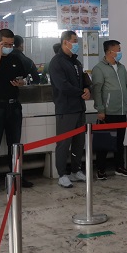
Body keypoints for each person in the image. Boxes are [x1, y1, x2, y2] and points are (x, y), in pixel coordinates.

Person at [0, 29, 31, 193]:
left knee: (15, 144)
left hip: (14, 106)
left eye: (11, 45)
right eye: (5, 44)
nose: (9, 47)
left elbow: (23, 78)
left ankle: (17, 176)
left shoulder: (16, 59)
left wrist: (21, 83)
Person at [48, 30, 91, 188]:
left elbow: (85, 80)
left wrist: (87, 89)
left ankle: (75, 170)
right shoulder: (57, 62)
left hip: (79, 108)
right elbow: (63, 86)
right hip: (66, 109)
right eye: (74, 41)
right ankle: (62, 174)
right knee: (64, 143)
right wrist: (80, 92)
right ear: (65, 42)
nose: (76, 44)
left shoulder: (76, 62)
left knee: (79, 142)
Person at [91, 40, 127, 180]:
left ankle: (119, 167)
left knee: (119, 142)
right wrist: (100, 109)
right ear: (110, 52)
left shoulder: (121, 67)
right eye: (118, 49)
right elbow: (97, 90)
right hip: (108, 112)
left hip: (122, 111)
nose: (120, 52)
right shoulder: (99, 68)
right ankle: (101, 169)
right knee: (104, 142)